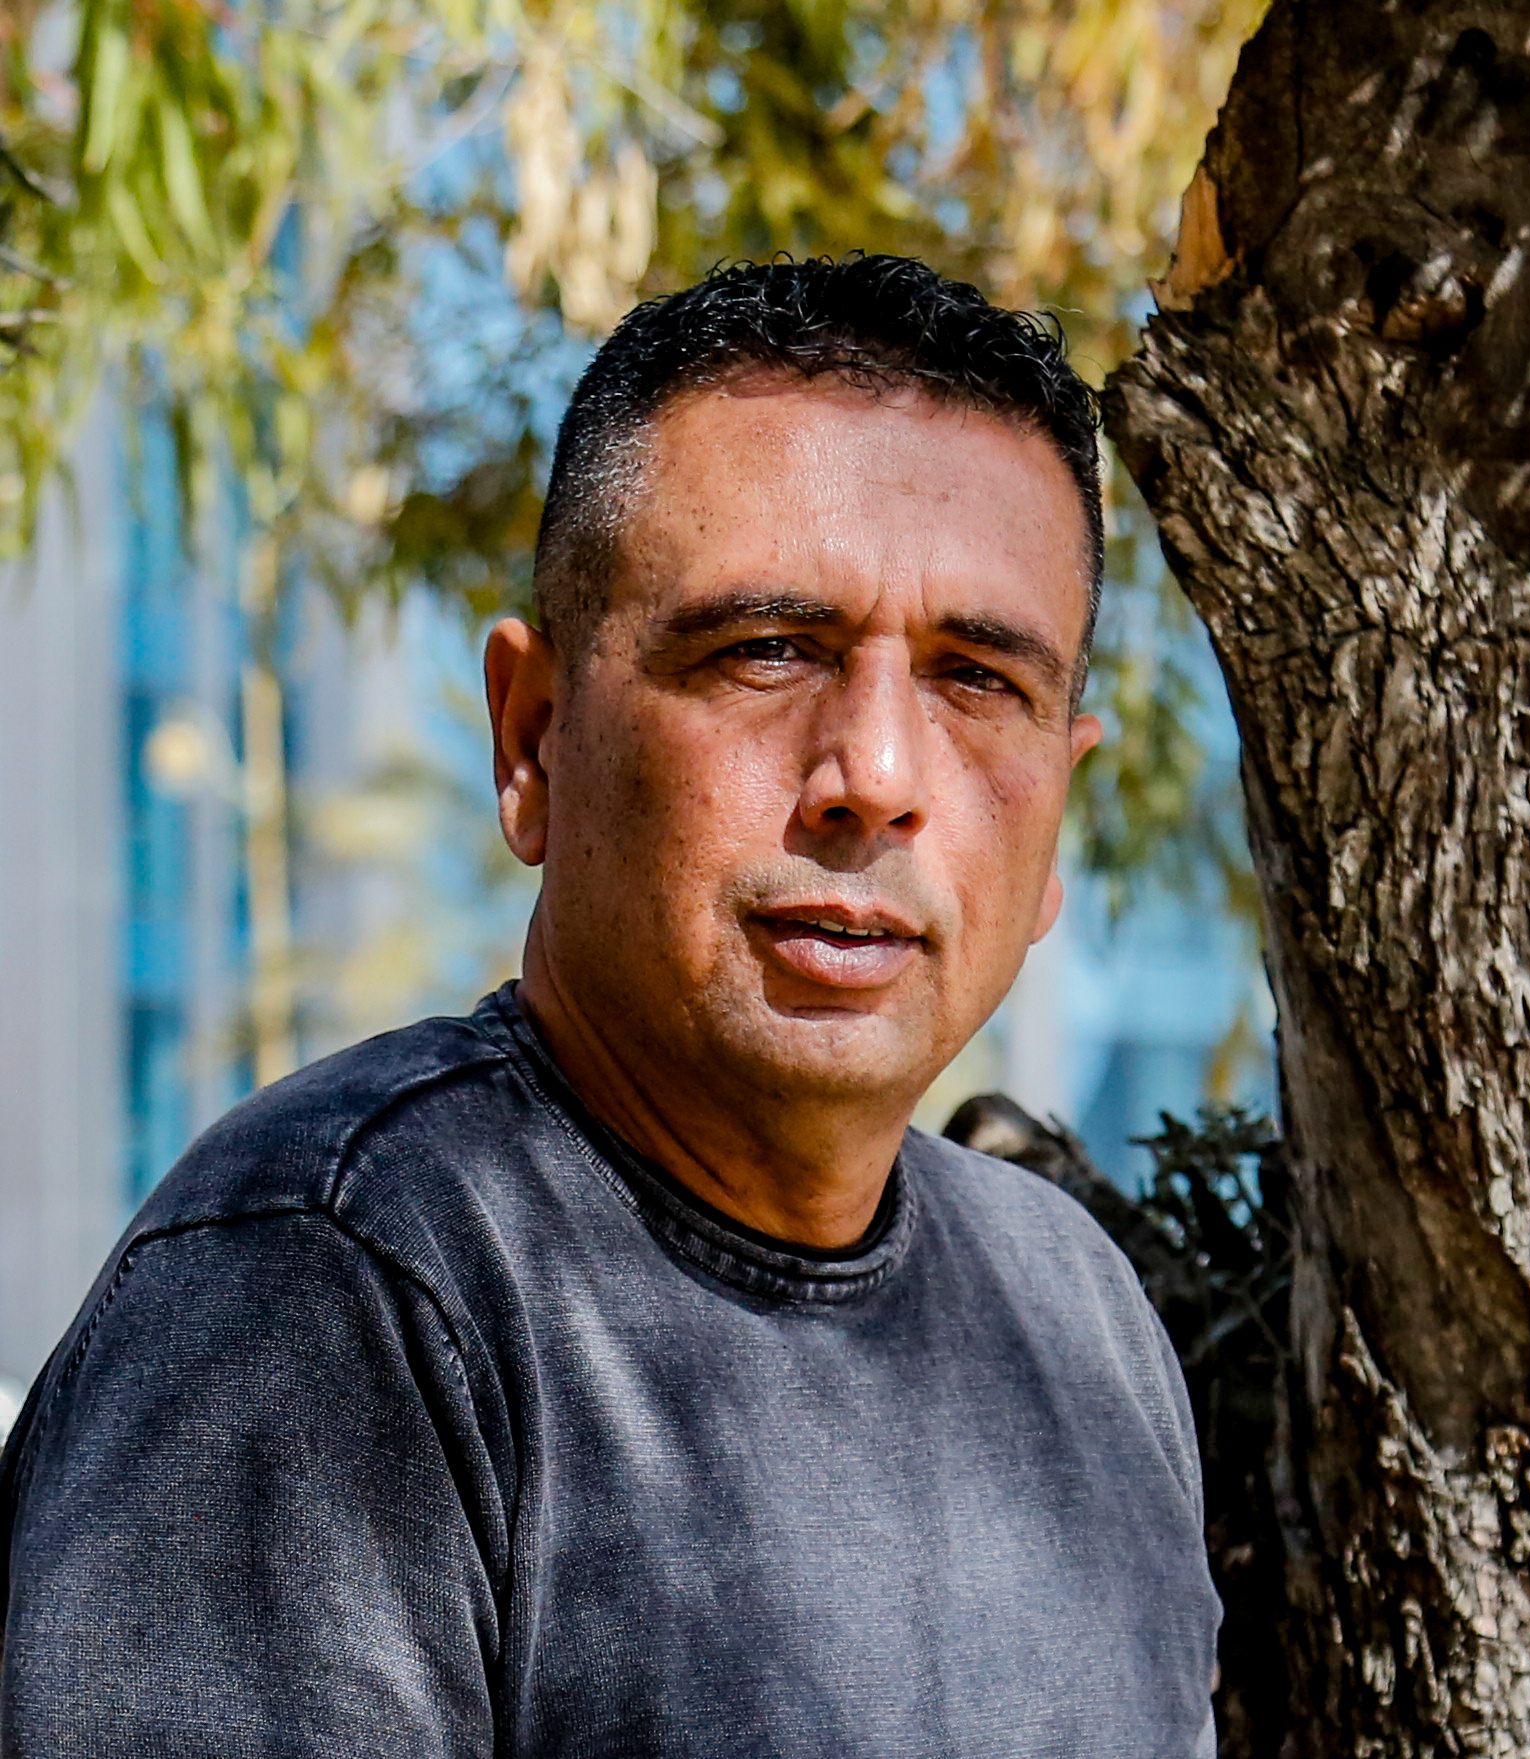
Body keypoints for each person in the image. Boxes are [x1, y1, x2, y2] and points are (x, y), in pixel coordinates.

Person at [0, 255, 1220, 1757]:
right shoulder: (331, 1294)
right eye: (765, 652)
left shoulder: (1077, 1316)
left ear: (1058, 814)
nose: (878, 779)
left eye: (977, 680)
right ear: (533, 739)